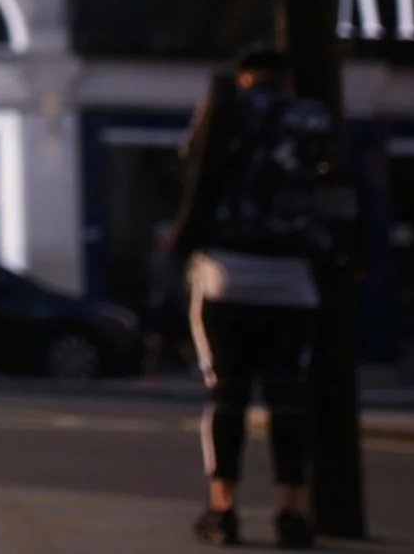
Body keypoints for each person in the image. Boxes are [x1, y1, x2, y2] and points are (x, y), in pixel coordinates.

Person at [171, 47, 330, 549]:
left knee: (227, 395)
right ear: (287, 80)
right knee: (288, 397)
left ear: (244, 77)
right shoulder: (313, 117)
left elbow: (191, 165)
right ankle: (293, 509)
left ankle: (224, 508)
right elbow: (337, 181)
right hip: (293, 278)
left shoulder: (226, 108)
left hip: (227, 272)